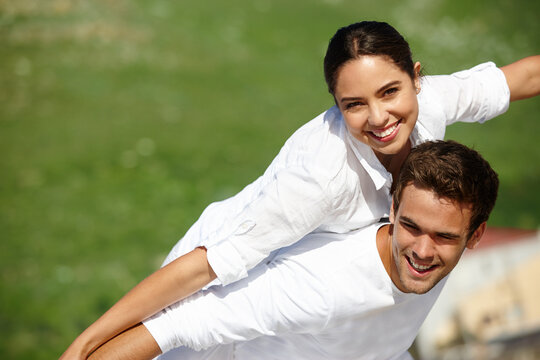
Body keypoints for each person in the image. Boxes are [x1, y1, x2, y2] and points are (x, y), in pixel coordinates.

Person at [60, 20, 540, 359]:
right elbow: (203, 270)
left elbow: (521, 77)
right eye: (353, 104)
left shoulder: (430, 99)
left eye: (390, 92)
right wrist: (86, 343)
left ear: (416, 78)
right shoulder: (318, 178)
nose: (378, 118)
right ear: (335, 103)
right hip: (230, 270)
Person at [85, 140, 500, 360]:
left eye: (444, 237)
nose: (423, 251)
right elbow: (173, 327)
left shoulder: (422, 240)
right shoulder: (320, 285)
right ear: (392, 210)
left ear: (475, 235)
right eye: (410, 227)